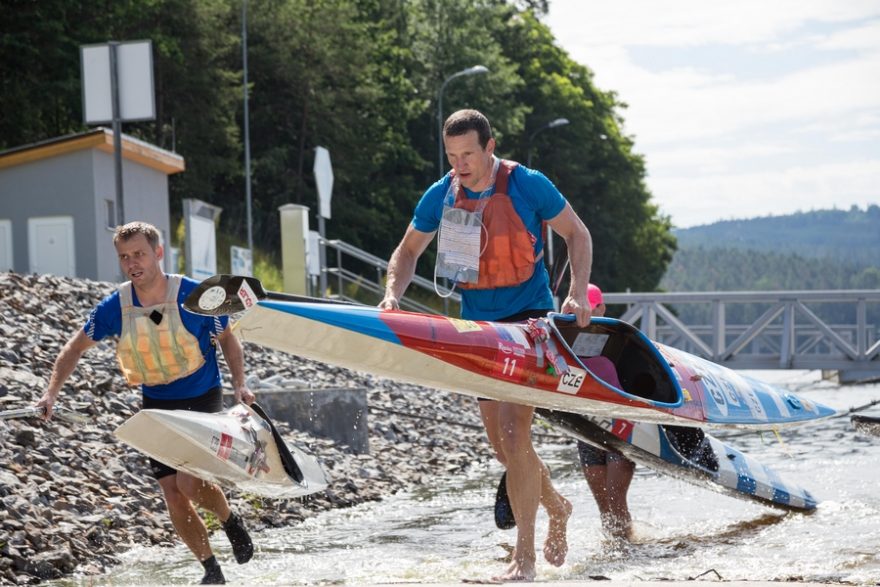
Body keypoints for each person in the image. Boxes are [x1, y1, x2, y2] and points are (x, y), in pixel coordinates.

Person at [379, 109, 593, 581]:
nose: (460, 164)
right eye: (452, 156)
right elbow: (408, 250)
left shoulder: (527, 184)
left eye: (468, 154)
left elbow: (578, 233)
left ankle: (525, 559)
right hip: (478, 326)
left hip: (527, 321)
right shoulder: (442, 193)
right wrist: (393, 293)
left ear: (490, 147)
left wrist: (578, 290)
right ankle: (557, 507)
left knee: (517, 436)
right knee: (502, 447)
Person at [36, 221, 256, 585]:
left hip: (202, 397)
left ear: (157, 253)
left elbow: (230, 342)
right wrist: (50, 393)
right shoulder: (115, 307)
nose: (131, 262)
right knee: (172, 492)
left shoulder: (194, 296)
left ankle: (230, 520)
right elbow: (73, 349)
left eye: (138, 253)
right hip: (156, 403)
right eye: (124, 257)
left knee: (187, 481)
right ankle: (211, 570)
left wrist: (241, 385)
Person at [577, 283, 636, 539]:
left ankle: (625, 552)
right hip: (586, 427)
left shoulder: (620, 341)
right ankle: (613, 551)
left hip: (620, 427)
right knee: (604, 506)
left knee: (615, 499)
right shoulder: (567, 341)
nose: (585, 316)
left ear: (602, 307)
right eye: (581, 311)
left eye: (590, 309)